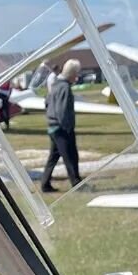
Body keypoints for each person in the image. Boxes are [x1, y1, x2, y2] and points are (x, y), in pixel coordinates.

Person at [39, 58, 81, 193]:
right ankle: (77, 183)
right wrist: (67, 127)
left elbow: (47, 102)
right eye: (76, 73)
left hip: (52, 126)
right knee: (71, 156)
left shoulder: (55, 84)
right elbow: (61, 110)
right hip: (61, 128)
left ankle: (45, 184)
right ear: (72, 73)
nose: (77, 76)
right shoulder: (64, 87)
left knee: (53, 157)